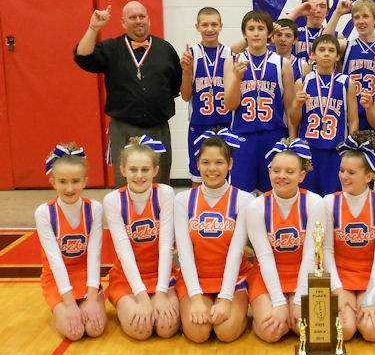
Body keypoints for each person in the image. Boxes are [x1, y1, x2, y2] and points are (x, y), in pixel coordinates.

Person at [74, 1, 181, 187]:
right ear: (123, 22)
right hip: (123, 128)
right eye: (132, 17)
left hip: (158, 129)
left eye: (142, 16)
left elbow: (174, 86)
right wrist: (94, 27)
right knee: (125, 183)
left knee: (160, 183)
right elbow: (82, 57)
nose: (138, 21)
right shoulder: (111, 48)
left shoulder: (166, 49)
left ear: (149, 19)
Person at [173, 129, 255, 343]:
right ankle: (197, 305)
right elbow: (184, 253)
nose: (212, 169)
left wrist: (226, 298)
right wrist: (196, 297)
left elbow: (237, 252)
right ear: (197, 165)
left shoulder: (244, 200)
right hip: (195, 278)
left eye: (219, 162)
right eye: (205, 162)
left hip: (233, 278)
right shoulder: (182, 200)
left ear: (230, 165)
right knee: (198, 334)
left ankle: (239, 311)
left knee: (226, 332)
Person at [241, 138, 323, 342]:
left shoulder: (315, 203)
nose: (281, 176)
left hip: (303, 273)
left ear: (301, 175)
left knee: (307, 330)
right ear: (269, 172)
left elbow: (311, 255)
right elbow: (264, 256)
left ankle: (289, 305)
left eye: (289, 171)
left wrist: (299, 299)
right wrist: (278, 302)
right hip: (267, 274)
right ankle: (262, 311)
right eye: (276, 170)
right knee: (271, 332)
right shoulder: (256, 207)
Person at [103, 136, 179, 340]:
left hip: (160, 274)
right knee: (142, 331)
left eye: (145, 169)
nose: (139, 175)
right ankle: (117, 298)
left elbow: (166, 247)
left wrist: (161, 293)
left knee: (166, 328)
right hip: (127, 277)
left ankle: (157, 297)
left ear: (155, 171)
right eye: (133, 169)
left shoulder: (165, 194)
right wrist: (142, 297)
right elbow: (124, 252)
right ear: (123, 170)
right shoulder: (113, 201)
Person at [321, 131, 375, 342]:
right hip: (340, 276)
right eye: (342, 170)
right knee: (344, 329)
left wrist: (371, 295)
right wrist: (337, 290)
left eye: (351, 172)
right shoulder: (329, 202)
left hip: (371, 276)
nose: (344, 176)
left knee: (372, 330)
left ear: (368, 177)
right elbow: (326, 250)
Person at [35, 144, 106, 341]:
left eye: (75, 181)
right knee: (74, 333)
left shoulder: (95, 209)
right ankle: (60, 309)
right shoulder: (44, 213)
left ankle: (92, 301)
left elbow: (94, 256)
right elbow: (55, 261)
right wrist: (69, 304)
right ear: (53, 182)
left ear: (85, 181)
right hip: (56, 280)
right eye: (62, 182)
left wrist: (91, 299)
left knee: (95, 329)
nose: (69, 188)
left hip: (85, 276)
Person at [223, 10, 295, 193]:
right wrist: (238, 78)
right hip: (243, 136)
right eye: (251, 28)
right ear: (244, 33)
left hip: (274, 135)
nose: (256, 33)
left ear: (269, 33)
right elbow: (230, 105)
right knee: (241, 194)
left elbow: (290, 107)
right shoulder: (232, 62)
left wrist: (293, 140)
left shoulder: (282, 64)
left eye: (261, 28)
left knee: (273, 193)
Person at [289, 35, 359, 195]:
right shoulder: (302, 82)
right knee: (307, 198)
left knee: (333, 197)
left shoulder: (347, 83)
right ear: (313, 55)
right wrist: (298, 105)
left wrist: (351, 150)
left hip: (336, 151)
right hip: (309, 150)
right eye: (321, 50)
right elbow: (294, 121)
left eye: (331, 50)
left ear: (338, 56)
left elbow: (354, 121)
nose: (326, 54)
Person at [180, 7, 233, 186]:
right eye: (205, 25)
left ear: (221, 26)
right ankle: (197, 212)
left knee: (227, 174)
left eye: (214, 24)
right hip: (200, 123)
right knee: (198, 176)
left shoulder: (230, 54)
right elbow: (186, 95)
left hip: (226, 124)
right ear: (197, 27)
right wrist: (186, 72)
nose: (209, 29)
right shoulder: (191, 54)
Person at [327, 0, 375, 131]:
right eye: (357, 17)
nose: (361, 21)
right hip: (349, 115)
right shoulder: (345, 45)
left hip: (374, 115)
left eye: (365, 16)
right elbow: (323, 42)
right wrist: (337, 13)